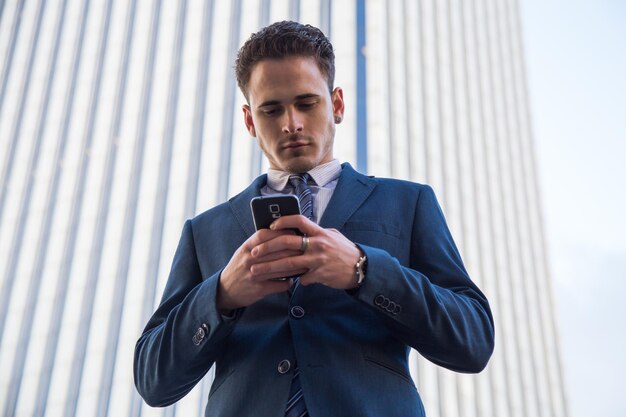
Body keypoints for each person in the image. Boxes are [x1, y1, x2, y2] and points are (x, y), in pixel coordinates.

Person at [134, 21, 494, 417]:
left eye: (306, 103)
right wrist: (221, 295)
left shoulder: (408, 202)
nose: (292, 124)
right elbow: (153, 380)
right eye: (271, 109)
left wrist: (363, 270)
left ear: (336, 104)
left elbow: (473, 340)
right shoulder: (204, 231)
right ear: (250, 120)